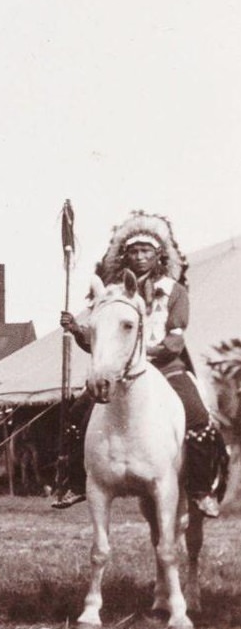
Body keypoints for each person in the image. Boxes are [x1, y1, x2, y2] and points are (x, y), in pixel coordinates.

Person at [58, 211, 225, 517]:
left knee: (199, 418)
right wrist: (76, 329)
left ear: (158, 254)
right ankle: (76, 482)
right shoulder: (113, 293)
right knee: (78, 411)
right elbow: (101, 339)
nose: (139, 256)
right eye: (133, 251)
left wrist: (146, 353)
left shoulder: (174, 291)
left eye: (146, 250)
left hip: (166, 366)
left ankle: (201, 490)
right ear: (126, 255)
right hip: (120, 371)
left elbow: (176, 338)